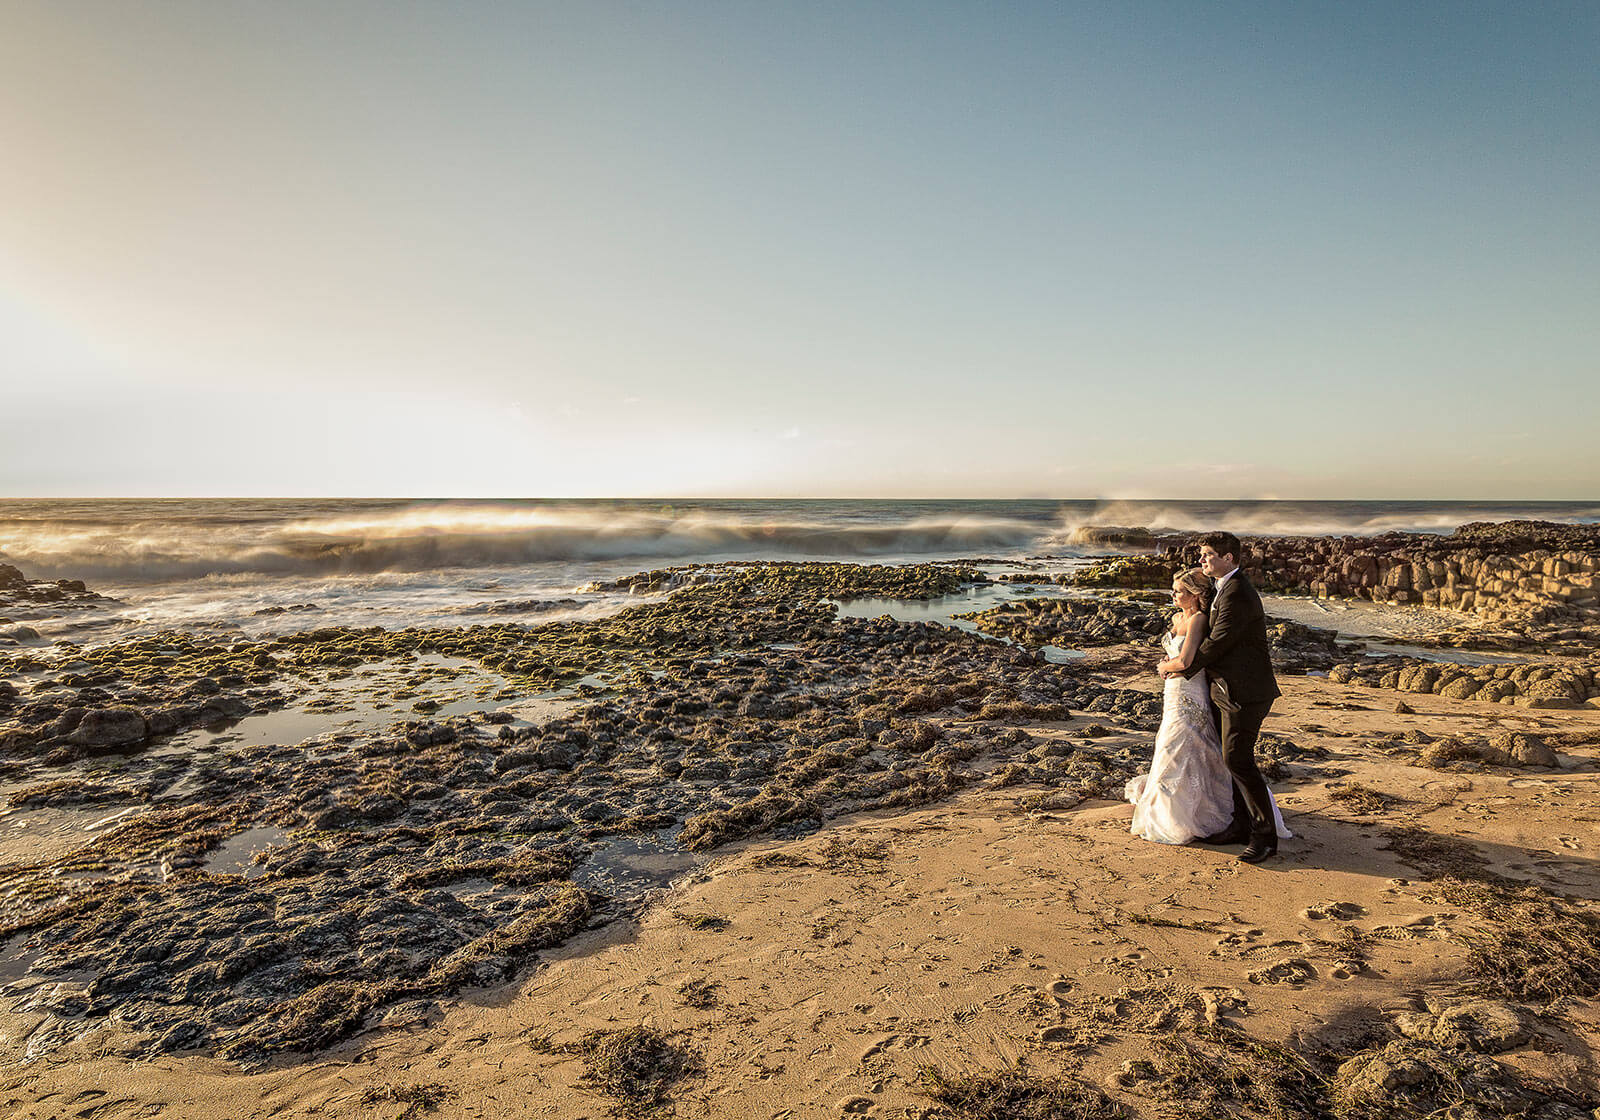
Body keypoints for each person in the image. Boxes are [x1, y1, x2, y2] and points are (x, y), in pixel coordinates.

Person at [1156, 531, 1289, 863]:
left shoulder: (1238, 593)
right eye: (1202, 555)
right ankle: (1239, 825)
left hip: (1245, 691)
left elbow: (1218, 643)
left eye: (1208, 555)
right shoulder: (1222, 589)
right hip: (1222, 690)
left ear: (1229, 557)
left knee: (1238, 760)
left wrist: (1180, 666)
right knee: (1227, 758)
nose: (1202, 561)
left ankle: (1264, 837)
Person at [1124, 568, 1235, 844]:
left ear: (1195, 595)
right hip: (1171, 690)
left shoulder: (1199, 620)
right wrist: (1167, 663)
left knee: (1185, 742)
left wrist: (1164, 665)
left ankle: (1188, 813)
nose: (1173, 595)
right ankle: (1166, 806)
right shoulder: (1177, 617)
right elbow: (1174, 652)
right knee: (1166, 743)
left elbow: (1186, 661)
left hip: (1190, 689)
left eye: (1179, 591)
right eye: (1173, 590)